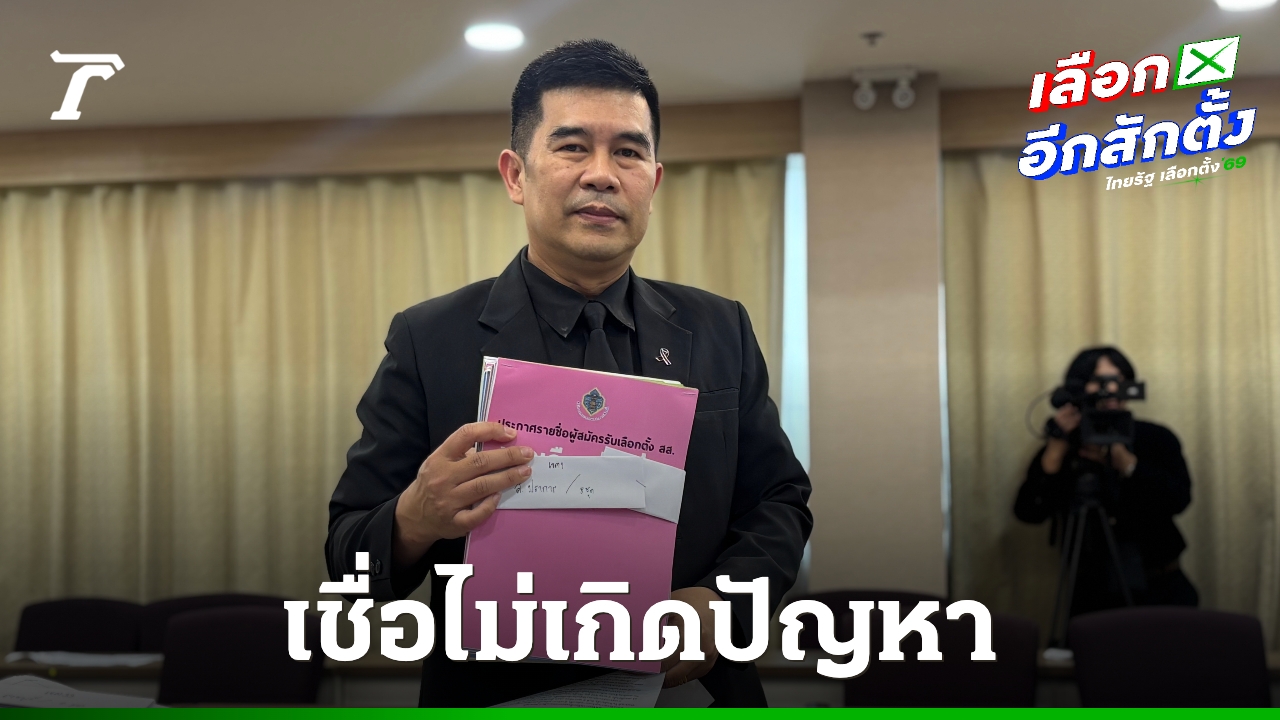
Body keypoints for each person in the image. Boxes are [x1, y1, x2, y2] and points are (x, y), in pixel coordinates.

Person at [325, 39, 812, 707]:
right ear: (516, 175)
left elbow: (779, 500)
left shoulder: (718, 327)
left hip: (691, 691)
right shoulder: (429, 339)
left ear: (653, 183)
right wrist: (416, 516)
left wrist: (723, 604)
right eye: (573, 147)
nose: (602, 175)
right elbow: (347, 557)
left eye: (628, 152)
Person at [1015, 347, 1197, 616]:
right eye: (1099, 381)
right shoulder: (1065, 446)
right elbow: (1029, 512)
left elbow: (1179, 500)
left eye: (1118, 381)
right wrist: (1055, 453)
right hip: (1092, 595)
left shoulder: (1155, 438)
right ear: (1078, 388)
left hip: (1160, 587)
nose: (1110, 389)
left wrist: (1129, 465)